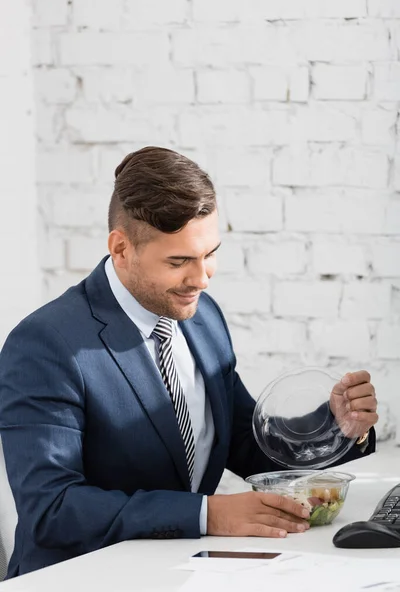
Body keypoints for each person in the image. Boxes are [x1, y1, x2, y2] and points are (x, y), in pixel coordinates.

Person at [0, 147, 378, 578]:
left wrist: (335, 425)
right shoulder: (45, 345)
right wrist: (208, 514)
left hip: (181, 574)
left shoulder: (203, 318)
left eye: (209, 253)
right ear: (121, 248)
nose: (201, 278)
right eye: (179, 261)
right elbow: (51, 507)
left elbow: (245, 442)